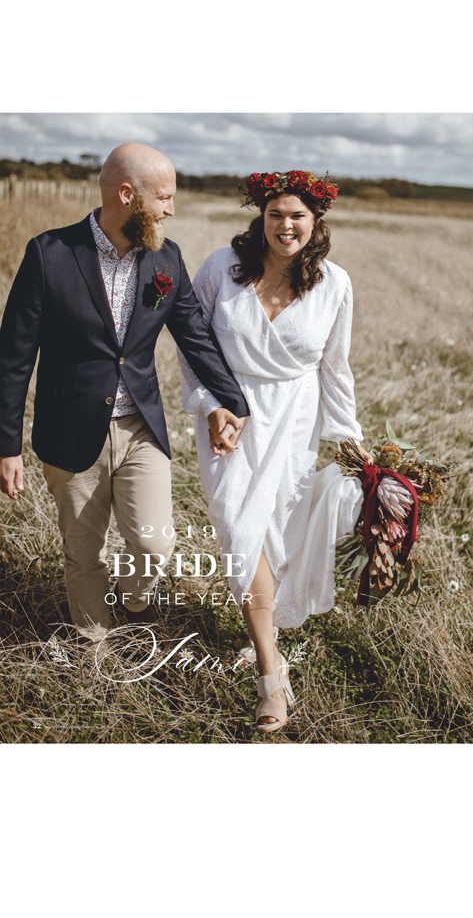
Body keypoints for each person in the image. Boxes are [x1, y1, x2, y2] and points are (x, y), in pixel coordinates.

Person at [0, 143, 250, 641]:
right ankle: (94, 650)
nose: (171, 209)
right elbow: (13, 358)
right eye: (163, 197)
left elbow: (195, 338)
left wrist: (235, 404)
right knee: (83, 551)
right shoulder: (49, 254)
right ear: (127, 194)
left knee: (155, 546)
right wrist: (7, 445)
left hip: (141, 429)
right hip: (70, 433)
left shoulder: (166, 258)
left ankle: (135, 605)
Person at [178, 169, 372, 732]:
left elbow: (335, 367)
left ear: (316, 223)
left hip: (294, 420)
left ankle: (262, 635)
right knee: (240, 530)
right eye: (275, 215)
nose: (286, 226)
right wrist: (210, 405)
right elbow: (193, 345)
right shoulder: (222, 268)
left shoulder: (335, 284)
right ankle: (271, 675)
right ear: (260, 218)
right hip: (229, 415)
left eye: (298, 217)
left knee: (276, 530)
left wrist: (351, 440)